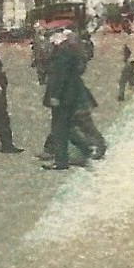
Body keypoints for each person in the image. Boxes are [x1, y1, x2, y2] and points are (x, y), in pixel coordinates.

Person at [42, 31, 93, 170]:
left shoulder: (62, 52)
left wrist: (55, 96)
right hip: (70, 95)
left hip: (63, 97)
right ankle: (85, 148)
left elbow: (60, 77)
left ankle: (61, 161)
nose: (50, 40)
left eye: (52, 37)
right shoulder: (69, 49)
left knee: (59, 129)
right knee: (67, 127)